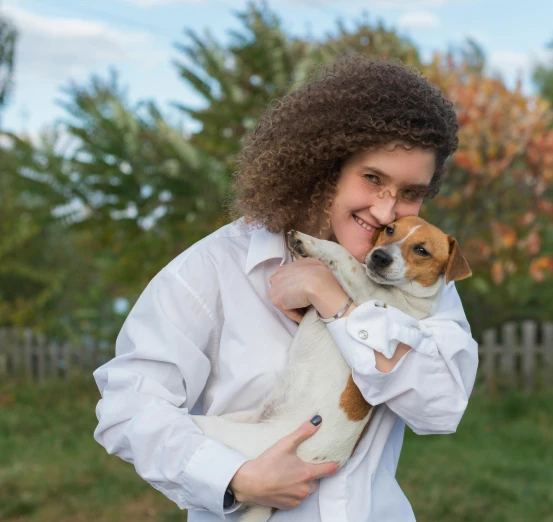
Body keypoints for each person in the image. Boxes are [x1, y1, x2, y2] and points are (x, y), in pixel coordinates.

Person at [93, 54, 478, 522]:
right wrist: (234, 477)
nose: (384, 211)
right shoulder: (213, 269)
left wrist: (337, 304)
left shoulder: (420, 278)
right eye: (372, 178)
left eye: (410, 192)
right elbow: (127, 406)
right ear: (327, 166)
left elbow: (439, 409)